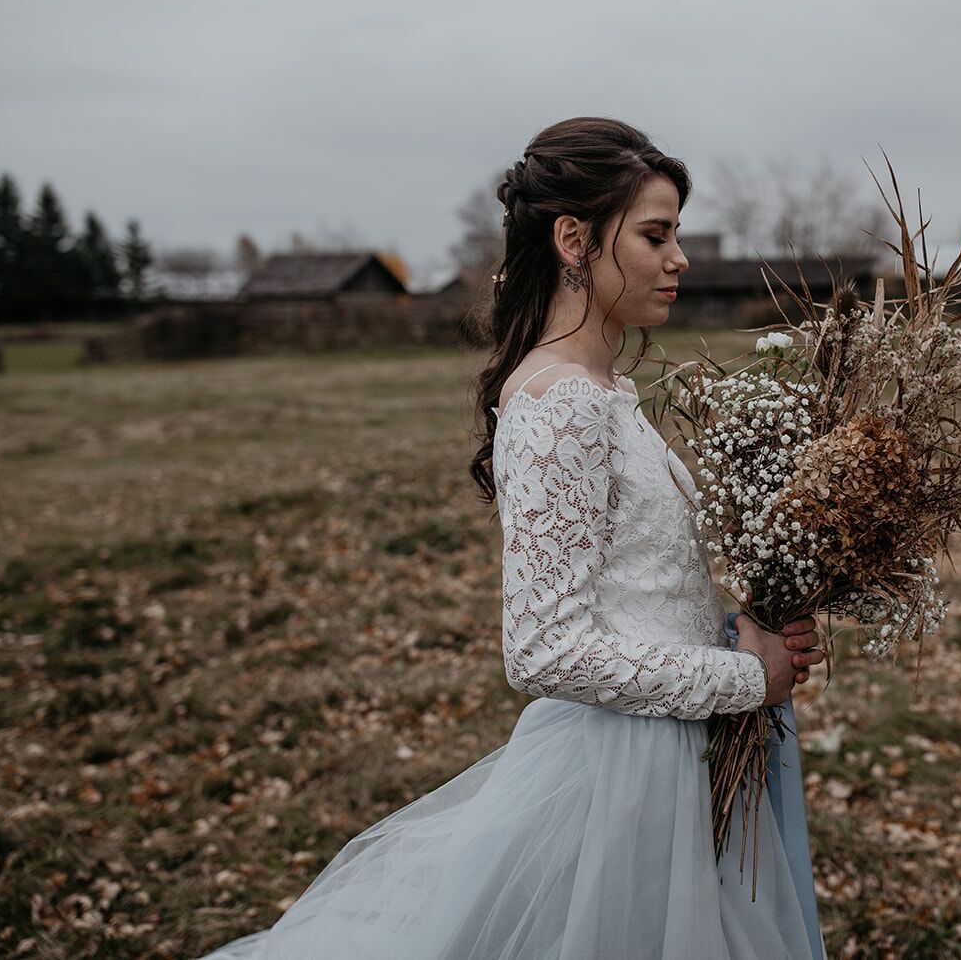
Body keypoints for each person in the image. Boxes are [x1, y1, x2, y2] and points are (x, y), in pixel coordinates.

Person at [194, 117, 827, 959]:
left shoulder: (606, 391)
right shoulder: (561, 402)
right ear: (573, 237)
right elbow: (543, 649)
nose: (679, 258)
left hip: (674, 756)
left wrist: (749, 625)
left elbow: (638, 592)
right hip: (622, 779)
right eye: (655, 234)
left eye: (674, 234)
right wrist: (745, 675)